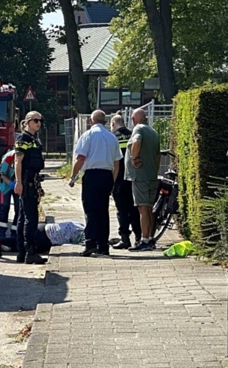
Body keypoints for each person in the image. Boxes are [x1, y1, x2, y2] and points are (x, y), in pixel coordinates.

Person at [68, 110, 121, 257]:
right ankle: (103, 246)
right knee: (103, 211)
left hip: (92, 175)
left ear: (91, 121)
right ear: (105, 122)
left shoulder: (88, 136)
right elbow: (117, 163)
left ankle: (90, 243)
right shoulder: (112, 138)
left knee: (90, 210)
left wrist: (73, 177)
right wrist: (113, 180)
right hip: (107, 176)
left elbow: (80, 158)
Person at [125, 108, 161, 251]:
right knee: (149, 208)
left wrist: (133, 158)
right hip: (151, 175)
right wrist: (154, 171)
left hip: (140, 176)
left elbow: (136, 141)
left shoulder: (138, 129)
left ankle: (145, 240)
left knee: (143, 208)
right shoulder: (153, 132)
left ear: (134, 120)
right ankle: (150, 238)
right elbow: (158, 155)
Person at [14, 111, 46, 264]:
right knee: (30, 218)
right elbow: (17, 162)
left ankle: (22, 252)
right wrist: (18, 182)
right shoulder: (23, 139)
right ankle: (30, 251)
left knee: (23, 218)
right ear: (27, 122)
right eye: (35, 120)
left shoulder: (34, 139)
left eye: (40, 121)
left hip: (32, 180)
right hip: (27, 182)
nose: (38, 123)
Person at [110, 114, 141, 249]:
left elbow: (112, 159)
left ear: (113, 124)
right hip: (133, 178)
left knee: (121, 210)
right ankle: (139, 237)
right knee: (134, 208)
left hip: (119, 179)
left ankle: (125, 238)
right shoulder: (132, 135)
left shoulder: (112, 138)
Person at [0, 148, 19, 251]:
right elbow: (1, 174)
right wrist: (10, 183)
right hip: (4, 185)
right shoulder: (9, 158)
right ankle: (1, 235)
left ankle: (14, 234)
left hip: (18, 184)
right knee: (4, 207)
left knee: (19, 209)